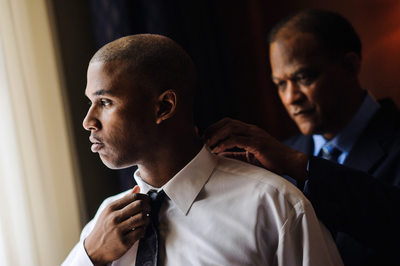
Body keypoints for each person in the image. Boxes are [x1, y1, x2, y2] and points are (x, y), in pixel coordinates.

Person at [62, 34, 343, 265]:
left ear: (163, 107)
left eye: (106, 102)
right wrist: (89, 256)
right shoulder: (103, 226)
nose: (88, 122)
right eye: (90, 103)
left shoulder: (274, 206)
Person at [204, 9, 400, 266]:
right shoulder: (280, 156)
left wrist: (300, 164)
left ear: (351, 65)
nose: (291, 97)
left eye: (304, 77)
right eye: (281, 84)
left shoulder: (287, 158)